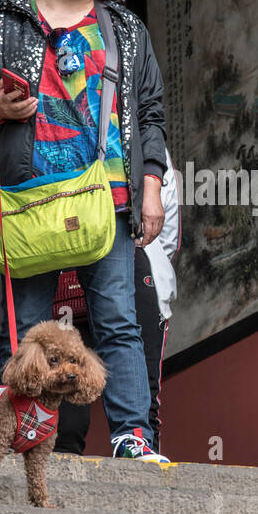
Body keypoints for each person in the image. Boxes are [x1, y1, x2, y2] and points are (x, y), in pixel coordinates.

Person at [0, 0, 170, 463]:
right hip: (25, 198)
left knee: (118, 320)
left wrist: (151, 185)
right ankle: (20, 440)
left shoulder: (124, 30)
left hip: (108, 196)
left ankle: (131, 437)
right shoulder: (1, 25)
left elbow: (148, 113)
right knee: (24, 331)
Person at [54, 147, 180, 455]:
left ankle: (140, 467)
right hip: (61, 278)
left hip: (135, 271)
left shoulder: (146, 142)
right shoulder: (62, 132)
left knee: (144, 402)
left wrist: (142, 252)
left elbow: (165, 226)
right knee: (62, 406)